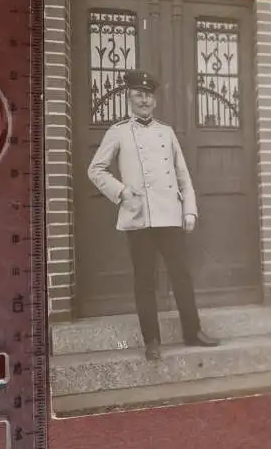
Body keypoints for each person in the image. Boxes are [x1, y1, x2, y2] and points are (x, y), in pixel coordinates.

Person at [88, 69, 219, 361]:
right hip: (139, 217)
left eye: (148, 95)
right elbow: (95, 170)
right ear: (129, 98)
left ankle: (192, 331)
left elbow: (183, 176)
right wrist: (121, 192)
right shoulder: (118, 132)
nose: (144, 100)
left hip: (170, 215)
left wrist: (190, 211)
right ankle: (152, 341)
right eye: (138, 95)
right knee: (144, 280)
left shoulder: (166, 132)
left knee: (181, 276)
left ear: (154, 100)